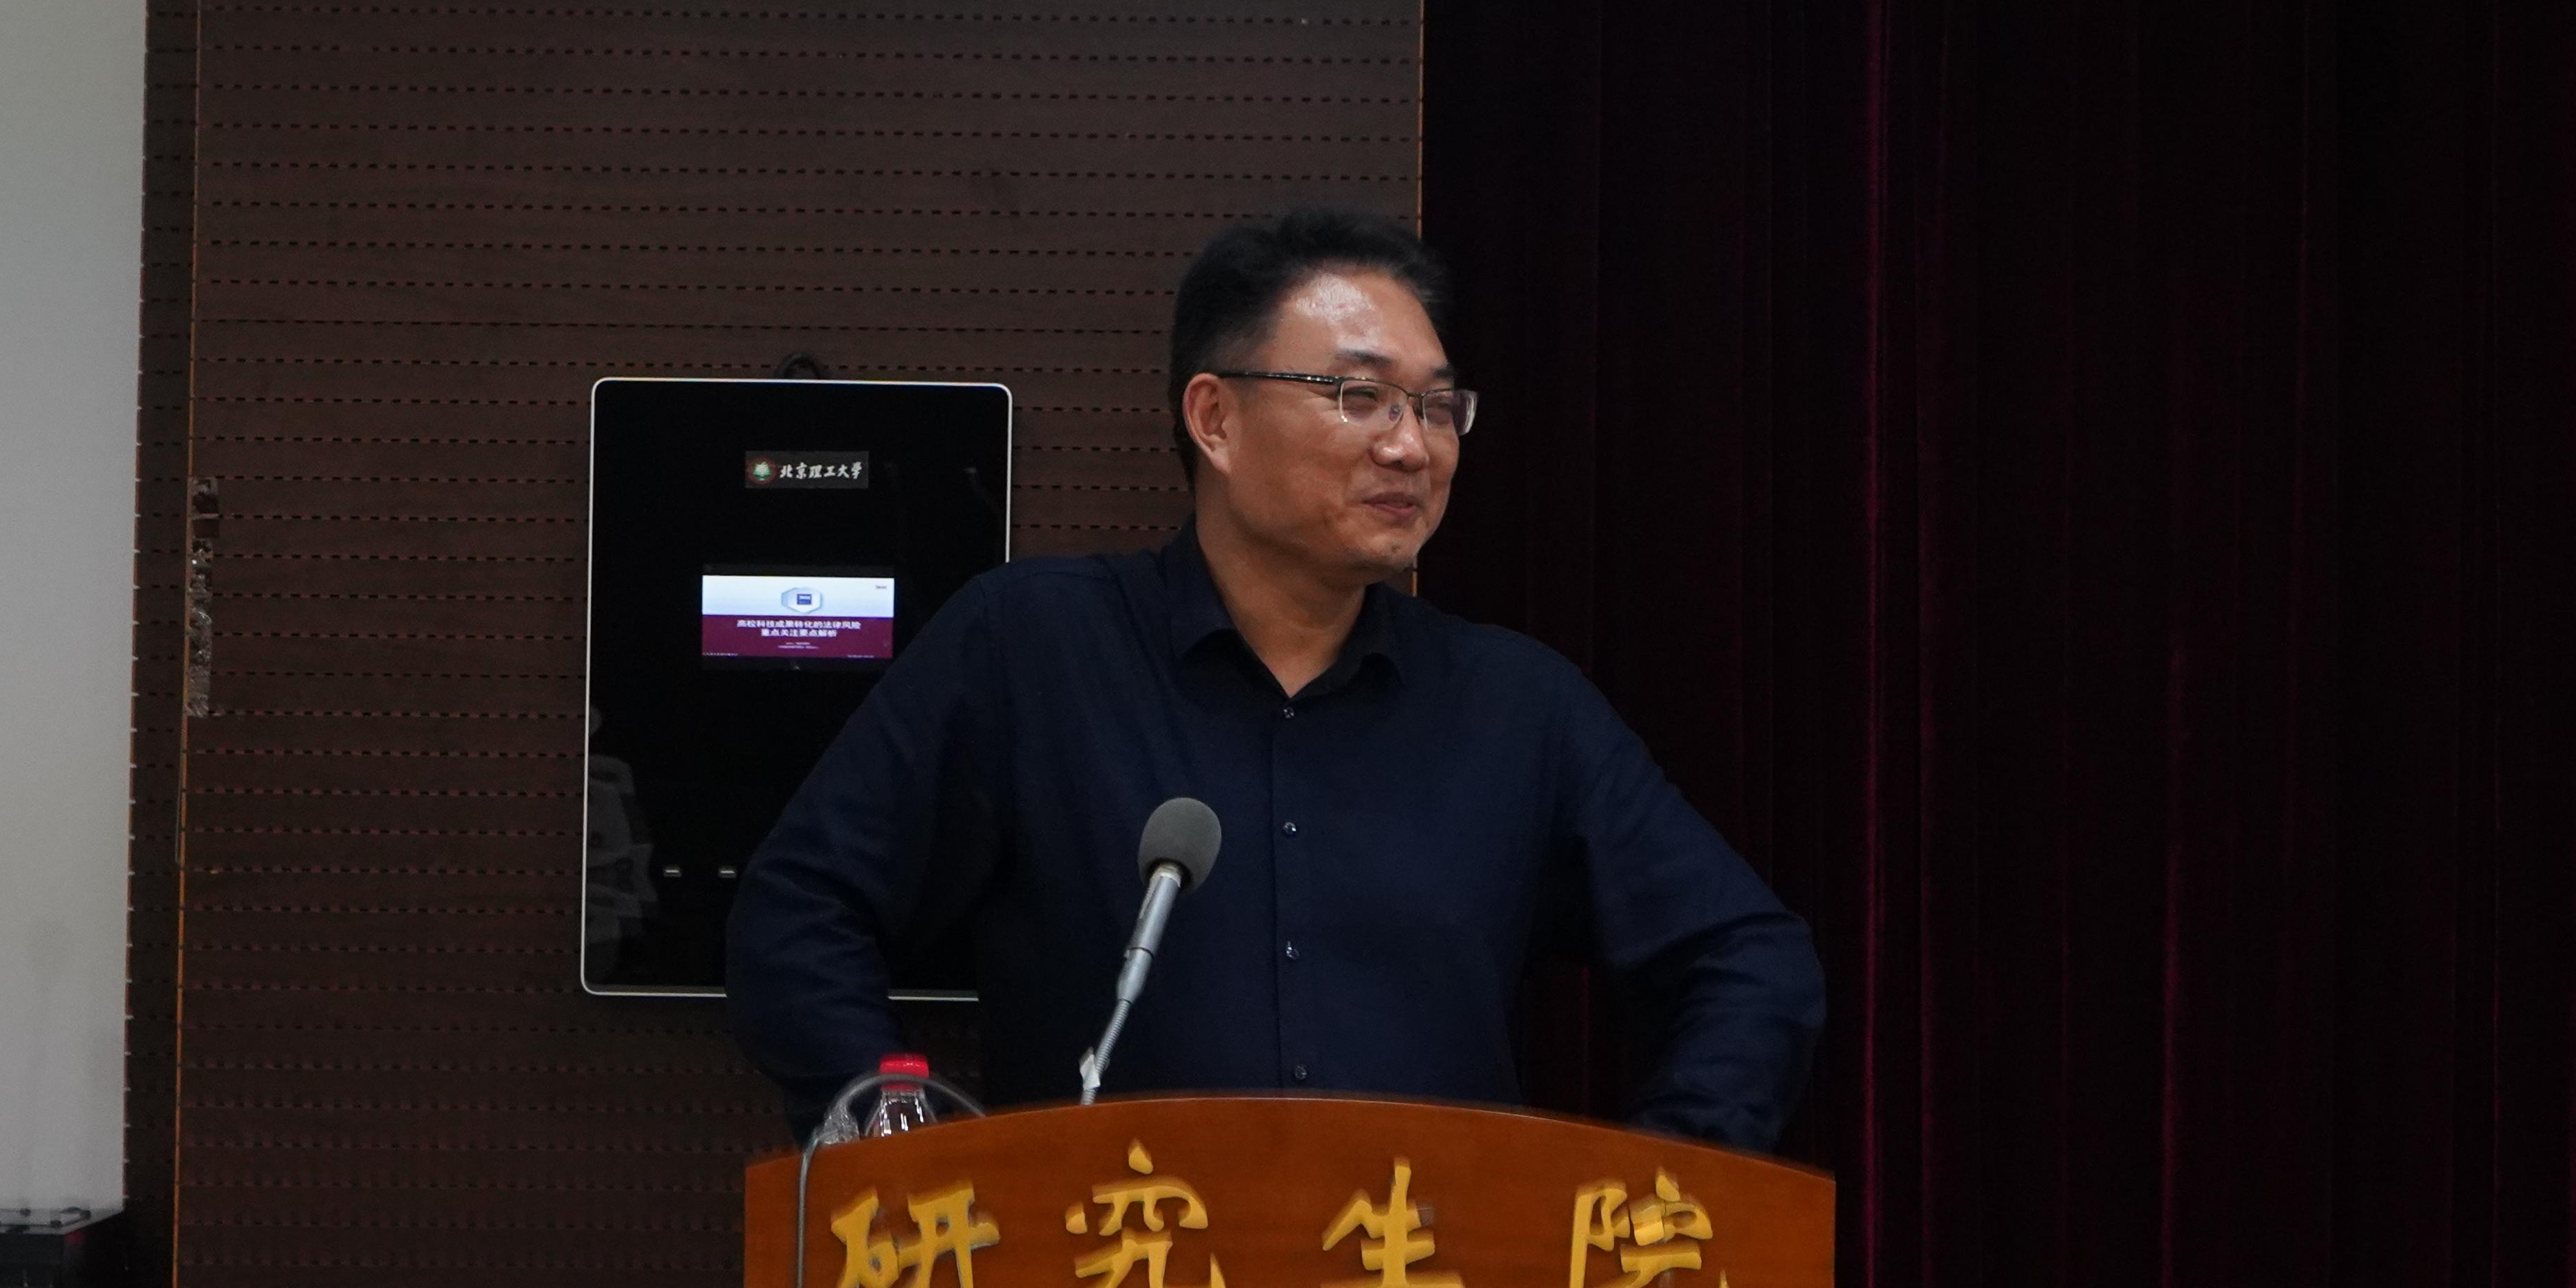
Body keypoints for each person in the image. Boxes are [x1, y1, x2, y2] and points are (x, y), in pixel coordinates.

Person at [725, 209, 1824, 1150]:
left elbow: (1748, 959)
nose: (1414, 447)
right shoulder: (1030, 648)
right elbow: (799, 909)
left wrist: (1659, 1182)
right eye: (1362, 395)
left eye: (1439, 406)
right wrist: (897, 1135)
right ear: (1216, 418)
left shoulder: (1518, 709)